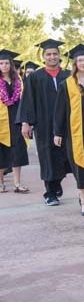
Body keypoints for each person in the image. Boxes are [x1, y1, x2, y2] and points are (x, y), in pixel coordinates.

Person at [17, 39, 71, 206]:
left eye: (55, 54)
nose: (52, 57)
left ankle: (57, 182)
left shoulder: (68, 75)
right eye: (49, 54)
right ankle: (50, 192)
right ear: (43, 56)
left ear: (59, 56)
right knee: (48, 156)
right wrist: (26, 123)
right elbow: (28, 101)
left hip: (66, 123)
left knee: (65, 155)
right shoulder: (35, 77)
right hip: (44, 124)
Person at [53, 44, 84, 217]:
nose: (83, 62)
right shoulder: (67, 84)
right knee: (79, 166)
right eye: (80, 60)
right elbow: (60, 110)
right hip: (75, 133)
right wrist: (57, 132)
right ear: (75, 63)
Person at [0, 50, 29, 194]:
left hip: (16, 119)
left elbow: (23, 101)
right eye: (1, 63)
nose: (4, 66)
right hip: (1, 121)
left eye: (6, 63)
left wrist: (25, 121)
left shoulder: (18, 81)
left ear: (11, 65)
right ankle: (0, 183)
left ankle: (17, 183)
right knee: (1, 151)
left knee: (18, 151)